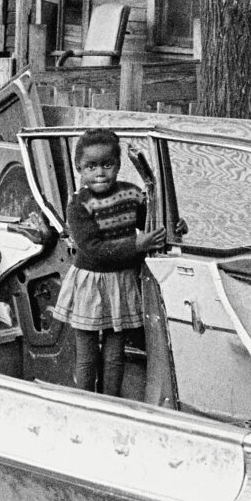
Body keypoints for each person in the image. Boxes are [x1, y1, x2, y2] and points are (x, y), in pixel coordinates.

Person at [49, 128, 164, 396]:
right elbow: (91, 249)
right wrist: (137, 245)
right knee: (87, 354)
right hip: (90, 284)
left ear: (118, 165)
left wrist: (170, 225)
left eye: (107, 164)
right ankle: (86, 402)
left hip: (121, 283)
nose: (100, 172)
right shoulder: (79, 204)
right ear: (79, 168)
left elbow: (151, 223)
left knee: (115, 354)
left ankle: (111, 403)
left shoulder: (132, 194)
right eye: (91, 166)